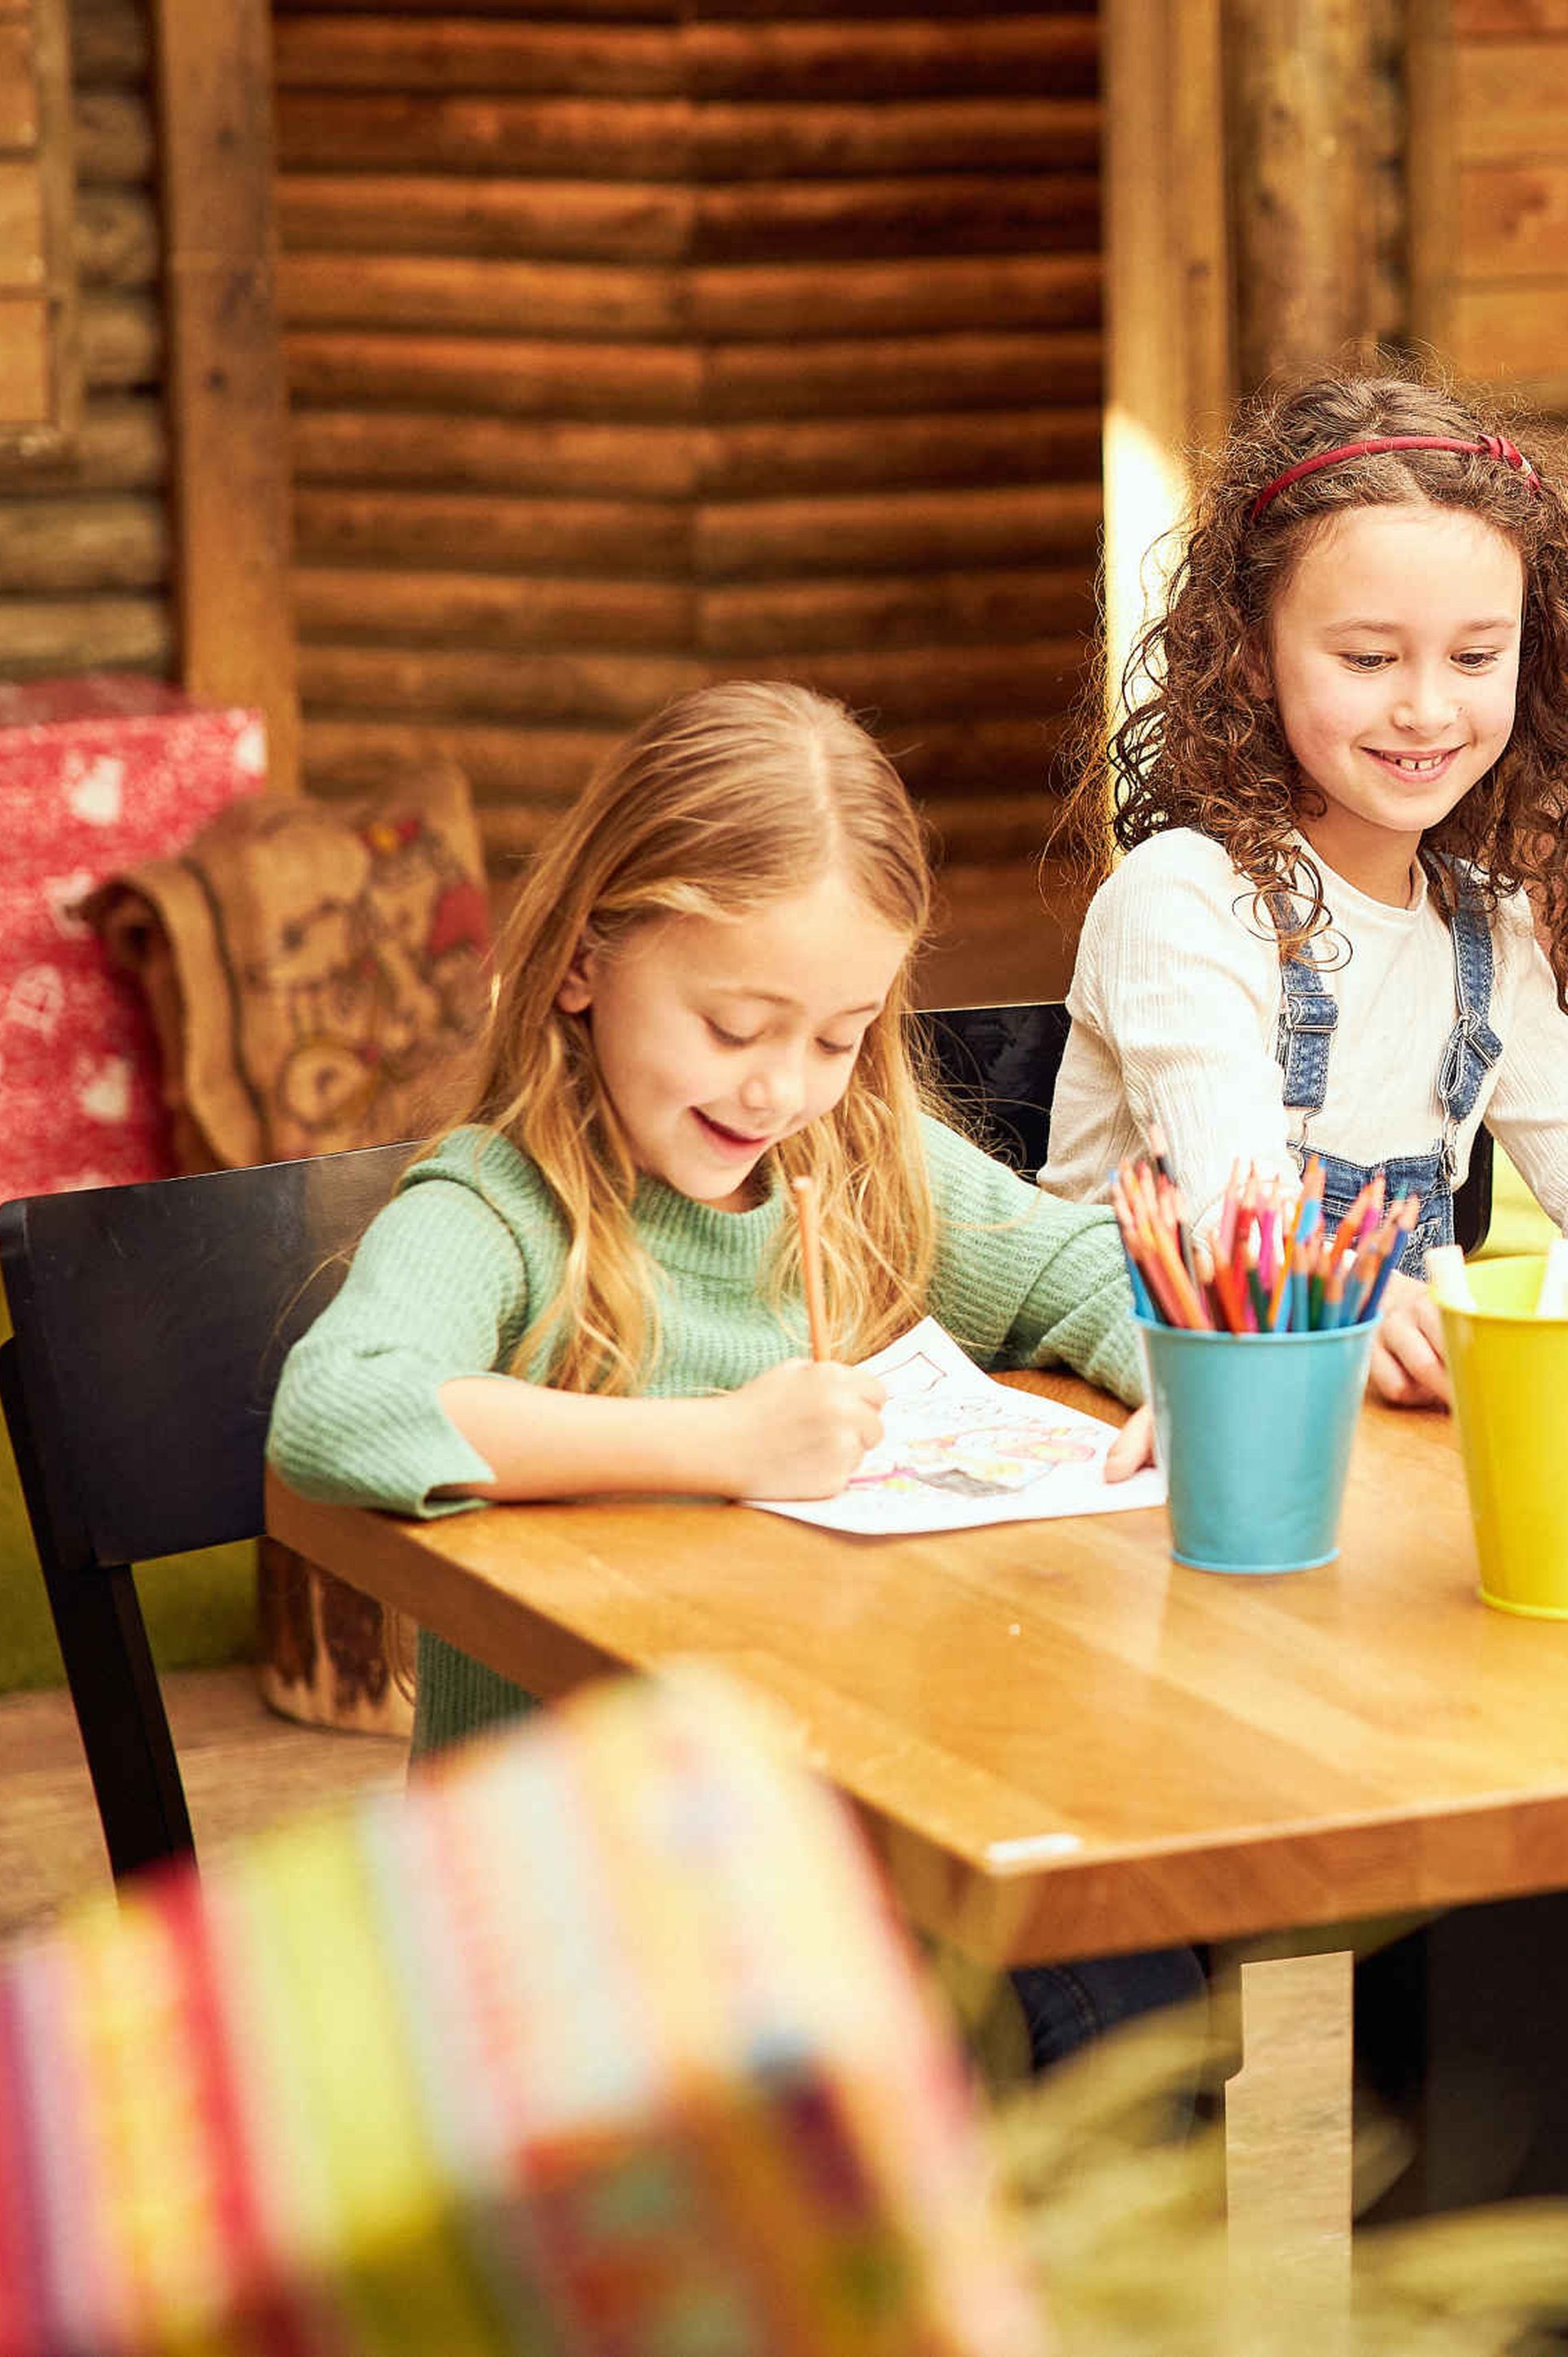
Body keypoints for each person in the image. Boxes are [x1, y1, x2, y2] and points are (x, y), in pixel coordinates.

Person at [1042, 370, 1568, 2352]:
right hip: (1183, 1509)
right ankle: (1493, 2272)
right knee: (1472, 1825)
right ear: (1250, 659)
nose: (1425, 706)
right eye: (1366, 655)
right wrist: (1363, 1306)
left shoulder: (1480, 918)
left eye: (1474, 654)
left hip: (1404, 1491)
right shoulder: (1188, 903)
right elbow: (1234, 1191)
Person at [268, 680, 1201, 2075]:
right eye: (734, 1027)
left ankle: (1021, 2287)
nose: (780, 1091)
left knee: (1131, 1982)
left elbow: (1091, 1268)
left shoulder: (857, 1168)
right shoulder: (502, 1211)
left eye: (836, 1038)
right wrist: (720, 1445)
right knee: (1056, 2015)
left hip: (834, 1826)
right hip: (574, 1900)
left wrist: (1182, 1378)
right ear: (587, 961)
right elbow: (339, 1409)